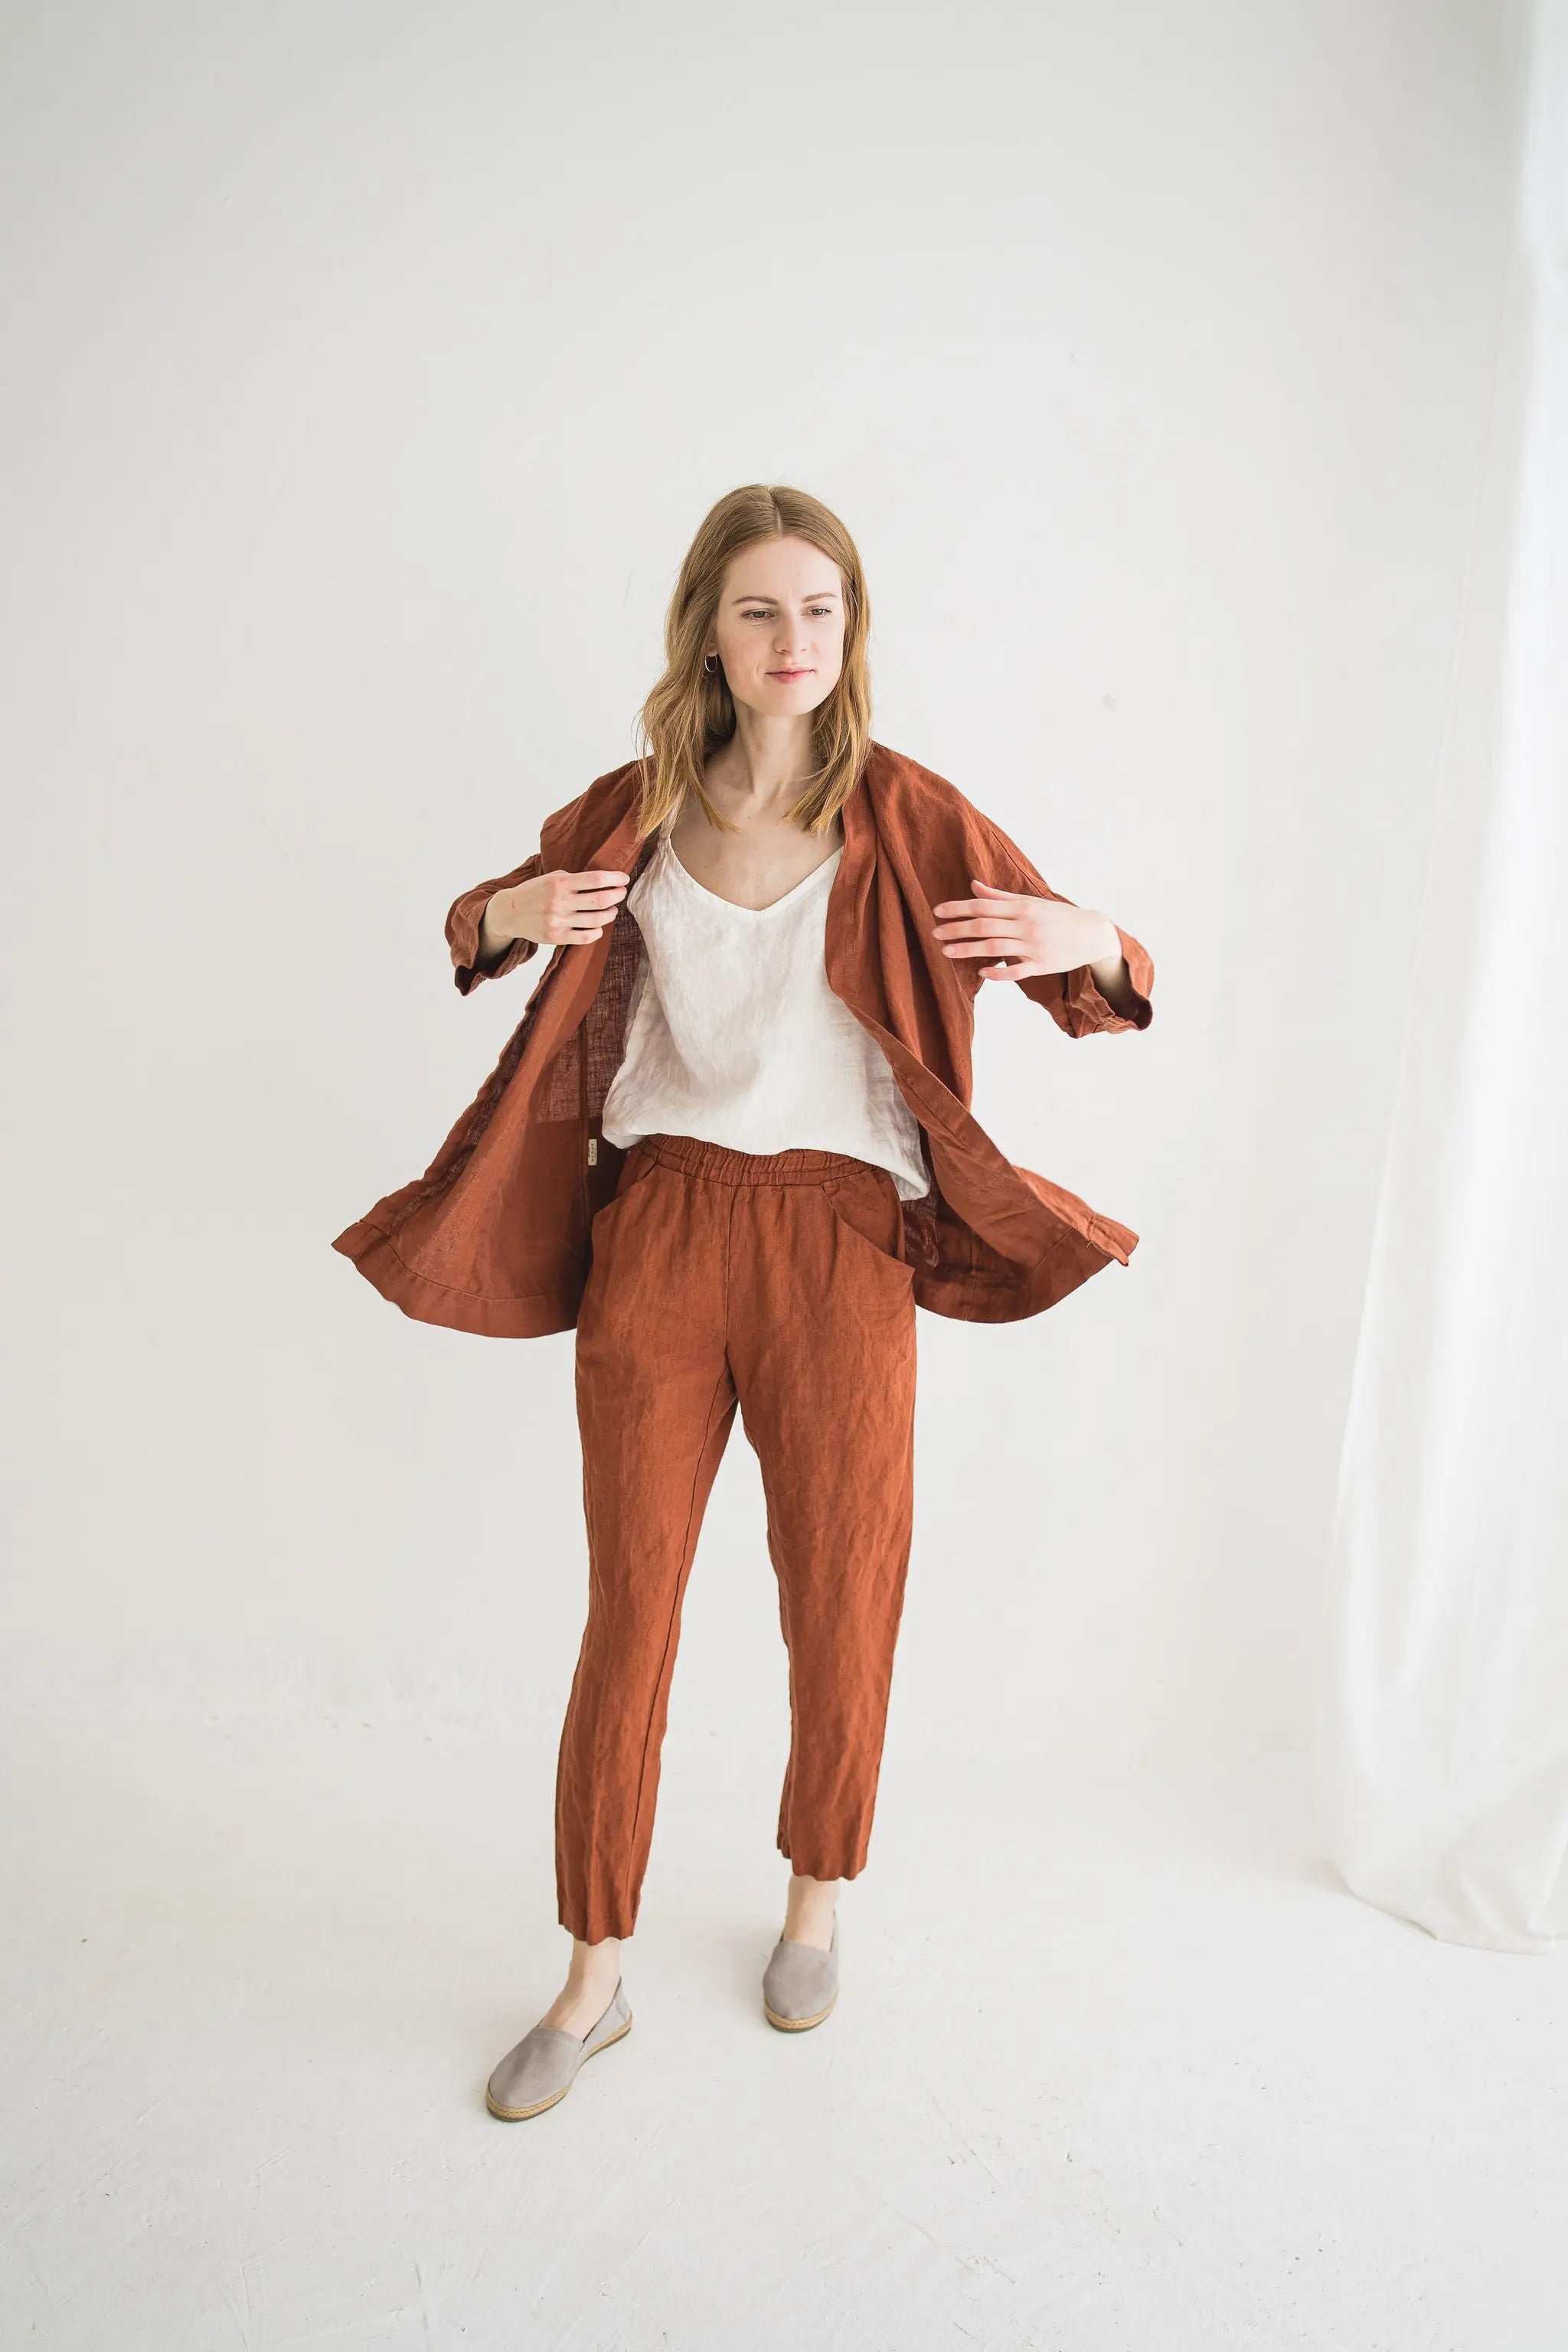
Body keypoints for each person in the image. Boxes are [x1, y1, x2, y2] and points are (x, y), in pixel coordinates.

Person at [332, 483, 1154, 2120]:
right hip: (663, 1231)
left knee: (842, 1588)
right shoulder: (633, 808)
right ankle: (591, 1972)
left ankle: (815, 1899)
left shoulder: (910, 815)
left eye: (822, 611)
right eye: (762, 609)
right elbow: (474, 929)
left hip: (841, 1243)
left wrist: (1098, 932)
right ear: (709, 624)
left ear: (853, 634)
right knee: (628, 1613)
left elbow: (1106, 992)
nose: (793, 642)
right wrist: (506, 914)